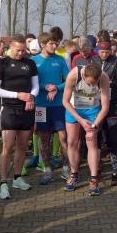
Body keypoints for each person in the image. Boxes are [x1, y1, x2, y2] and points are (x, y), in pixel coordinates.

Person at [0, 35, 39, 199]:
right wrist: (17, 95)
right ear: (10, 47)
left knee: (22, 146)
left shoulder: (30, 63)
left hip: (27, 109)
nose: (21, 53)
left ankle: (17, 178)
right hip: (9, 110)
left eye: (23, 50)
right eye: (18, 50)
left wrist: (30, 98)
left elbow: (35, 86)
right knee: (8, 147)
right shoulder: (1, 64)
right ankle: (3, 182)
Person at [62, 63, 111, 195]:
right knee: (72, 142)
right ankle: (74, 174)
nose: (91, 86)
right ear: (83, 76)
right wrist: (81, 121)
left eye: (93, 84)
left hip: (92, 109)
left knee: (92, 141)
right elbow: (65, 101)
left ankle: (94, 179)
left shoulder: (104, 77)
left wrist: (94, 126)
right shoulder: (73, 75)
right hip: (74, 109)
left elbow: (105, 107)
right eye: (89, 83)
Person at [31, 32, 70, 184]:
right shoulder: (34, 61)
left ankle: (66, 168)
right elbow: (32, 83)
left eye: (56, 43)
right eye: (51, 44)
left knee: (63, 137)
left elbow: (69, 80)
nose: (55, 46)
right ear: (42, 45)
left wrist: (57, 88)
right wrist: (45, 87)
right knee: (44, 138)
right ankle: (47, 170)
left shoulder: (60, 60)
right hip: (41, 106)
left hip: (59, 105)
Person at [91, 39, 117, 184]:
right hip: (96, 104)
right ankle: (96, 169)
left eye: (107, 52)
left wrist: (106, 83)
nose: (104, 54)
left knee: (113, 138)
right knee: (96, 137)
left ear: (111, 51)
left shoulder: (116, 61)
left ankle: (115, 171)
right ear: (98, 51)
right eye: (102, 52)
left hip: (112, 104)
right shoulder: (93, 60)